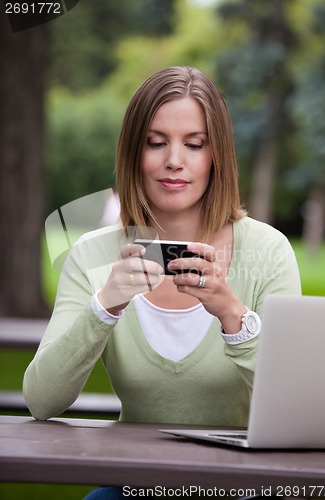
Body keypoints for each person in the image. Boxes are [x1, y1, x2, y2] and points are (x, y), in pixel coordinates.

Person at [23, 66, 301, 498]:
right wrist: (104, 307)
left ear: (217, 157)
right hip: (136, 486)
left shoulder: (267, 250)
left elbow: (297, 407)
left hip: (244, 489)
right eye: (156, 143)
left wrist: (232, 314)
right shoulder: (94, 255)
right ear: (134, 152)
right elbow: (41, 400)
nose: (175, 159)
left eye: (194, 144)